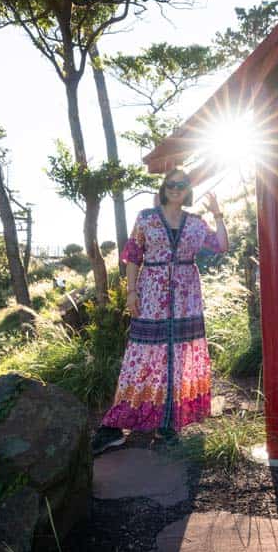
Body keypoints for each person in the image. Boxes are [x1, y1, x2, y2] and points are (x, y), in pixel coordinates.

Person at [91, 167, 229, 455]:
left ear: (188, 190)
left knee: (178, 357)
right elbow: (132, 256)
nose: (175, 188)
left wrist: (217, 213)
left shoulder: (195, 222)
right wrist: (131, 292)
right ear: (164, 188)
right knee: (141, 356)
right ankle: (116, 424)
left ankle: (168, 425)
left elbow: (221, 246)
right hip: (151, 294)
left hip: (186, 297)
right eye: (171, 184)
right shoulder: (146, 218)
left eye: (181, 185)